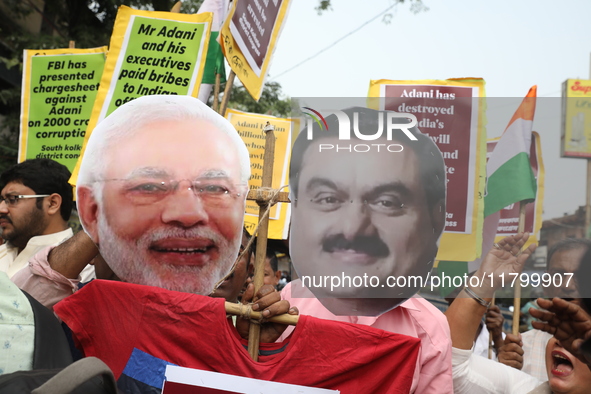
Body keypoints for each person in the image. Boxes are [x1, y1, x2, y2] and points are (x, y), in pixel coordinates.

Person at [282, 106, 452, 393]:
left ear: (434, 219)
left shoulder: (429, 329)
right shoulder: (286, 306)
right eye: (326, 198)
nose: (352, 228)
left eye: (386, 202)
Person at [446, 232, 591, 394]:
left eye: (581, 343)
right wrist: (485, 281)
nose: (568, 285)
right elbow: (448, 364)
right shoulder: (523, 353)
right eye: (559, 275)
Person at [498, 238, 591, 381]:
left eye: (580, 277)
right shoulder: (521, 349)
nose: (568, 285)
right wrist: (504, 376)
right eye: (559, 275)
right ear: (545, 283)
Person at [0, 159, 89, 280]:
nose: (2, 208)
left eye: (13, 199)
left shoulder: (83, 267)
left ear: (53, 203)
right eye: (2, 199)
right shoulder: (3, 253)